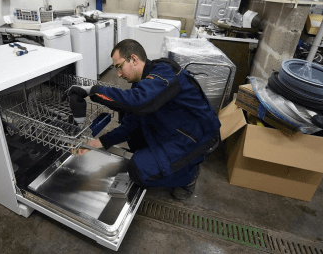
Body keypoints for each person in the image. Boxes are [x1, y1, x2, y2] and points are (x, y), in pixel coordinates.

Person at [66, 39, 220, 200]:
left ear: (133, 59)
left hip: (197, 136)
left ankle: (188, 174)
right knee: (133, 128)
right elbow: (131, 124)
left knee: (139, 171)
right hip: (176, 128)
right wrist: (98, 143)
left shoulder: (165, 72)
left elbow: (138, 101)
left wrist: (91, 91)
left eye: (119, 67)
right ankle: (172, 162)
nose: (118, 74)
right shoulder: (143, 83)